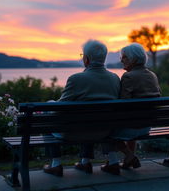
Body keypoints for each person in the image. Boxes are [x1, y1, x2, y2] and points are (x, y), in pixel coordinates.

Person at [43, 39, 121, 177]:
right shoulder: (115, 78)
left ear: (86, 59)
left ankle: (56, 164)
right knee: (92, 118)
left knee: (47, 113)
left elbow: (59, 109)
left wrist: (50, 104)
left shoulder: (76, 79)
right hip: (105, 131)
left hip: (74, 133)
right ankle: (85, 161)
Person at [101, 43, 161, 173]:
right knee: (132, 119)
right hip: (147, 126)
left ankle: (129, 155)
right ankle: (128, 160)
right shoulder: (152, 75)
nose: (121, 60)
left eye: (124, 57)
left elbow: (123, 105)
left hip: (133, 127)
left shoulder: (129, 76)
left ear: (133, 59)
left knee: (105, 131)